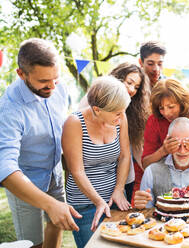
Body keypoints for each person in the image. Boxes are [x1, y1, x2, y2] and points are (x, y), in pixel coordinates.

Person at [0, 38, 81, 248]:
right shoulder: (9, 110)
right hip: (25, 179)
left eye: (56, 78)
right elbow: (5, 168)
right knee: (32, 243)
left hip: (54, 172)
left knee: (57, 223)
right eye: (44, 81)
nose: (52, 86)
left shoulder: (59, 89)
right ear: (21, 74)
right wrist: (49, 204)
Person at [62, 76, 132, 247]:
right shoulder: (74, 122)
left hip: (113, 200)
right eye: (117, 112)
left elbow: (124, 156)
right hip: (84, 204)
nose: (122, 116)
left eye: (123, 111)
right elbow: (76, 170)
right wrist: (98, 201)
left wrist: (119, 189)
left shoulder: (119, 118)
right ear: (97, 109)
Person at [79, 62, 150, 202]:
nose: (131, 89)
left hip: (123, 177)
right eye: (129, 82)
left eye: (136, 87)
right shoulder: (92, 101)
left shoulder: (130, 110)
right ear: (117, 78)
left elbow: (135, 146)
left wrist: (150, 170)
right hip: (94, 180)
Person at [141, 79, 189, 169]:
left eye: (171, 107)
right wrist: (163, 151)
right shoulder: (154, 120)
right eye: (161, 108)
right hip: (164, 179)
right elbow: (145, 163)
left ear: (182, 103)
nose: (166, 113)